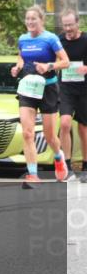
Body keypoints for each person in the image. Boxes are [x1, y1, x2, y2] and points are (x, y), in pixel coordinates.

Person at [11, 5, 70, 187]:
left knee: (49, 135)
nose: (30, 22)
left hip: (48, 88)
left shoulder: (50, 38)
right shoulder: (23, 39)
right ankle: (33, 175)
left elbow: (65, 62)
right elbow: (21, 57)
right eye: (27, 19)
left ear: (41, 20)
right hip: (28, 88)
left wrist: (48, 66)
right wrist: (18, 66)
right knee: (28, 133)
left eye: (33, 19)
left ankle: (59, 157)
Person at [57, 9, 85, 181]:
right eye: (65, 25)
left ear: (77, 23)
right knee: (65, 123)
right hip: (66, 88)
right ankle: (66, 166)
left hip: (84, 89)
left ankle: (85, 167)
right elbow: (53, 60)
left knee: (83, 129)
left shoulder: (86, 39)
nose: (67, 28)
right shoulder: (59, 41)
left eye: (70, 25)